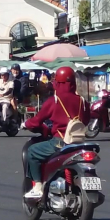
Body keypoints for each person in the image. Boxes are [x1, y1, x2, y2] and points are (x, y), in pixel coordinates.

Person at [21, 66, 89, 199]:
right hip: (79, 143)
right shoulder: (82, 101)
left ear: (58, 82)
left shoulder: (55, 100)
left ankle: (38, 186)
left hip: (60, 142)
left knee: (32, 152)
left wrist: (25, 124)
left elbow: (37, 121)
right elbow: (85, 121)